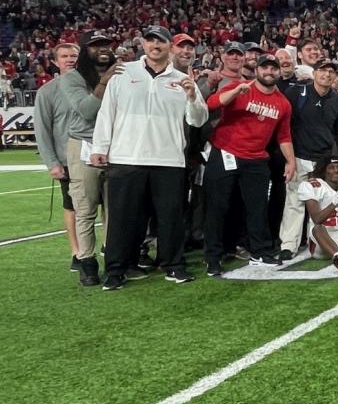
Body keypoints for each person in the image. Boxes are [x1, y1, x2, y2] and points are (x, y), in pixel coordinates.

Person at [89, 26, 209, 289]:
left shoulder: (181, 78)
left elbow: (198, 119)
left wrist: (191, 96)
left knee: (171, 218)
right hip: (126, 157)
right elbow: (107, 112)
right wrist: (100, 147)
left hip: (168, 160)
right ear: (143, 44)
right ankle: (115, 270)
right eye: (151, 40)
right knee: (122, 219)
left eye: (162, 41)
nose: (156, 45)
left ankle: (174, 265)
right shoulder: (123, 73)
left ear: (170, 47)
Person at [203, 54, 296, 277]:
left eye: (273, 69)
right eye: (265, 68)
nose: (269, 72)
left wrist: (291, 160)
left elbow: (284, 135)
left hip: (256, 159)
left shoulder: (283, 103)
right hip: (225, 152)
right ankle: (213, 257)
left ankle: (260, 251)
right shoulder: (239, 86)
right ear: (257, 70)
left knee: (257, 208)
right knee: (218, 207)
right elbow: (211, 104)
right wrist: (235, 92)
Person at [60, 32, 120, 285]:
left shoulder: (122, 74)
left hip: (116, 145)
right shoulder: (72, 78)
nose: (103, 49)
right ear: (85, 50)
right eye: (96, 46)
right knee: (85, 209)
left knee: (115, 209)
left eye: (106, 44)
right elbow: (85, 111)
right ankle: (87, 261)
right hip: (84, 144)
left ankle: (114, 259)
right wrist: (105, 82)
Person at [277, 61, 338, 259]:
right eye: (323, 70)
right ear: (314, 73)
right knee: (294, 201)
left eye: (331, 71)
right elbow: (284, 126)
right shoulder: (296, 93)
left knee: (319, 203)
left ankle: (315, 243)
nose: (327, 74)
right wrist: (287, 157)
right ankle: (288, 245)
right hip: (299, 156)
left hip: (322, 160)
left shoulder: (337, 101)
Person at [34, 42, 81, 271]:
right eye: (64, 56)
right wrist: (52, 163)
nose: (70, 59)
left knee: (105, 205)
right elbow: (42, 130)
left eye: (74, 55)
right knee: (71, 207)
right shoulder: (47, 92)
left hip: (95, 157)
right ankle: (76, 251)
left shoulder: (94, 87)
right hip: (66, 160)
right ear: (55, 61)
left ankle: (105, 247)